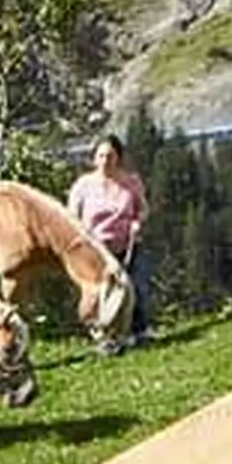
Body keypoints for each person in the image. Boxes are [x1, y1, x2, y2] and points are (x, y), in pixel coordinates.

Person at [72, 132, 149, 349]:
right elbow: (72, 217)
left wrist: (138, 222)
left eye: (110, 156)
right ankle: (104, 336)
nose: (106, 161)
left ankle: (139, 331)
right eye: (101, 156)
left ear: (118, 157)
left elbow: (142, 208)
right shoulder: (83, 186)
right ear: (94, 159)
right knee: (102, 294)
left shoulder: (131, 182)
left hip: (128, 244)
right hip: (97, 249)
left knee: (135, 288)